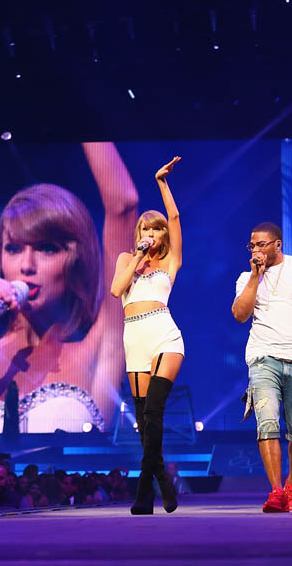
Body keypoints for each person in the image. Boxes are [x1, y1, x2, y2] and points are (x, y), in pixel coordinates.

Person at [0, 142, 137, 433]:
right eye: (13, 249)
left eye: (47, 249)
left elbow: (124, 206)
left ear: (77, 260)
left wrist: (87, 121)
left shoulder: (100, 344)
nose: (26, 265)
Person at [232, 222, 292, 513]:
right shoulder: (246, 278)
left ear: (278, 244)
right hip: (262, 358)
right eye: (252, 245)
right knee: (267, 422)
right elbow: (240, 315)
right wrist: (255, 275)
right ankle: (276, 491)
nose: (255, 250)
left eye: (261, 244)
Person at [109, 157, 184, 515]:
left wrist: (161, 182)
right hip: (134, 338)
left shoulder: (171, 262)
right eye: (144, 229)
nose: (149, 234)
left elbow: (175, 217)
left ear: (163, 234)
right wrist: (137, 259)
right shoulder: (127, 259)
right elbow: (115, 291)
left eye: (155, 229)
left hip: (164, 335)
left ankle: (144, 491)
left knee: (154, 409)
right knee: (144, 421)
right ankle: (162, 480)